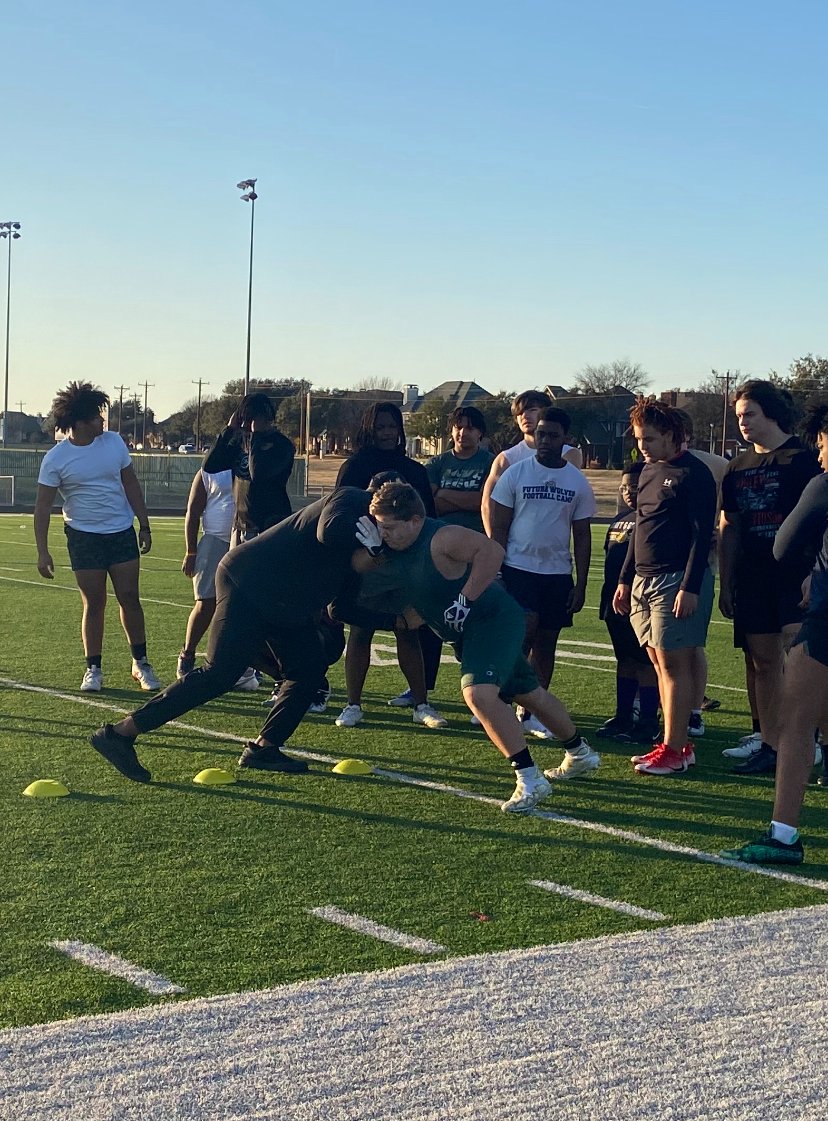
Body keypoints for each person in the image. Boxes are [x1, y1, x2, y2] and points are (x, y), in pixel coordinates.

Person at [87, 489, 373, 784]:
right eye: (384, 526)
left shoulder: (377, 540)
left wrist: (400, 621)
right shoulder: (351, 503)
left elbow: (343, 607)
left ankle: (264, 748)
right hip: (248, 582)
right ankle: (119, 734)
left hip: (284, 601)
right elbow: (330, 532)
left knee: (309, 668)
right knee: (220, 673)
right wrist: (371, 545)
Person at [357, 481, 598, 811]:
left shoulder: (441, 537)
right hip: (467, 633)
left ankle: (530, 778)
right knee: (530, 694)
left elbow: (492, 551)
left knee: (478, 694)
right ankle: (580, 753)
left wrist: (465, 599)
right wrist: (376, 552)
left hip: (492, 620)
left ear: (414, 521)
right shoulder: (393, 547)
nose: (382, 534)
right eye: (378, 528)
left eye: (388, 527)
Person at [720, 401, 828, 864]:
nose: (820, 455)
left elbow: (784, 543)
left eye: (824, 445)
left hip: (823, 619)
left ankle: (783, 836)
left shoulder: (822, 482)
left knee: (797, 723)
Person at [34, 381, 161, 693]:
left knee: (130, 598)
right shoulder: (56, 458)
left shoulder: (114, 443)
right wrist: (42, 552)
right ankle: (93, 668)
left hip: (120, 532)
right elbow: (42, 506)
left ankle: (140, 662)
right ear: (78, 422)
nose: (103, 421)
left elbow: (131, 484)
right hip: (83, 536)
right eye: (96, 416)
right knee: (94, 602)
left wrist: (143, 524)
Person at [613, 399, 717, 776]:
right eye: (640, 438)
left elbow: (701, 535)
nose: (643, 445)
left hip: (676, 579)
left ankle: (675, 748)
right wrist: (625, 579)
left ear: (674, 436)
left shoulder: (695, 474)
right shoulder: (647, 472)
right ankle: (677, 745)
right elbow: (640, 527)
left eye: (651, 438)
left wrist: (689, 587)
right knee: (658, 661)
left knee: (675, 662)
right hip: (643, 578)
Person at [487, 407, 596, 738]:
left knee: (547, 641)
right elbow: (499, 527)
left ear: (565, 439)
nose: (544, 440)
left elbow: (583, 535)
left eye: (552, 435)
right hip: (519, 568)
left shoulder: (577, 482)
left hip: (556, 574)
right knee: (522, 634)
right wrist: (496, 571)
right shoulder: (516, 474)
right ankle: (500, 701)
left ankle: (531, 711)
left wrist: (580, 584)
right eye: (540, 434)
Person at [333, 402, 444, 722]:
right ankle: (353, 704)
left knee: (408, 631)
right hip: (366, 561)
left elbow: (428, 520)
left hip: (405, 564)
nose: (386, 432)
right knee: (361, 630)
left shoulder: (415, 470)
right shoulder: (354, 466)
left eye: (392, 426)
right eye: (380, 426)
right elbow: (338, 515)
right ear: (369, 429)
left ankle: (421, 703)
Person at [176, 466, 259, 690]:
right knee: (206, 603)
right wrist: (191, 551)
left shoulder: (252, 465)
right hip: (215, 539)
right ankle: (187, 655)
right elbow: (193, 510)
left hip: (244, 539)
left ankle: (246, 664)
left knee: (246, 607)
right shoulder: (209, 469)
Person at [596, 461, 660, 743]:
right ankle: (623, 715)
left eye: (635, 487)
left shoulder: (652, 517)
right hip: (614, 601)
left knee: (645, 662)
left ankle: (647, 719)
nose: (629, 492)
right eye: (625, 487)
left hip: (639, 601)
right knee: (624, 659)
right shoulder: (618, 519)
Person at [673, 409, 729, 735]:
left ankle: (693, 710)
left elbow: (730, 512)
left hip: (699, 563)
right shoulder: (652, 465)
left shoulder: (716, 465)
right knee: (660, 646)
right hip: (659, 565)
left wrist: (718, 532)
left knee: (692, 643)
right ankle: (660, 706)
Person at [481, 390, 583, 537]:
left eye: (532, 410)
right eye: (520, 413)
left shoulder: (570, 455)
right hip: (514, 547)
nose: (525, 416)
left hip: (555, 547)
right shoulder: (505, 459)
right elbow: (487, 504)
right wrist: (495, 544)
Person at [202, 392, 295, 545]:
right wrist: (229, 430)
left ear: (264, 417)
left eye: (250, 418)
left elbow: (258, 474)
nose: (245, 425)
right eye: (243, 418)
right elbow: (210, 466)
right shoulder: (241, 441)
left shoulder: (281, 445)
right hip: (240, 526)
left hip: (268, 527)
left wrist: (256, 436)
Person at [425, 406, 495, 534]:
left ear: (479, 433)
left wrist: (443, 493)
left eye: (469, 428)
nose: (462, 433)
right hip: (440, 534)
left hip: (477, 534)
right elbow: (431, 505)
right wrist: (467, 501)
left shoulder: (492, 463)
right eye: (458, 428)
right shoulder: (436, 463)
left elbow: (482, 502)